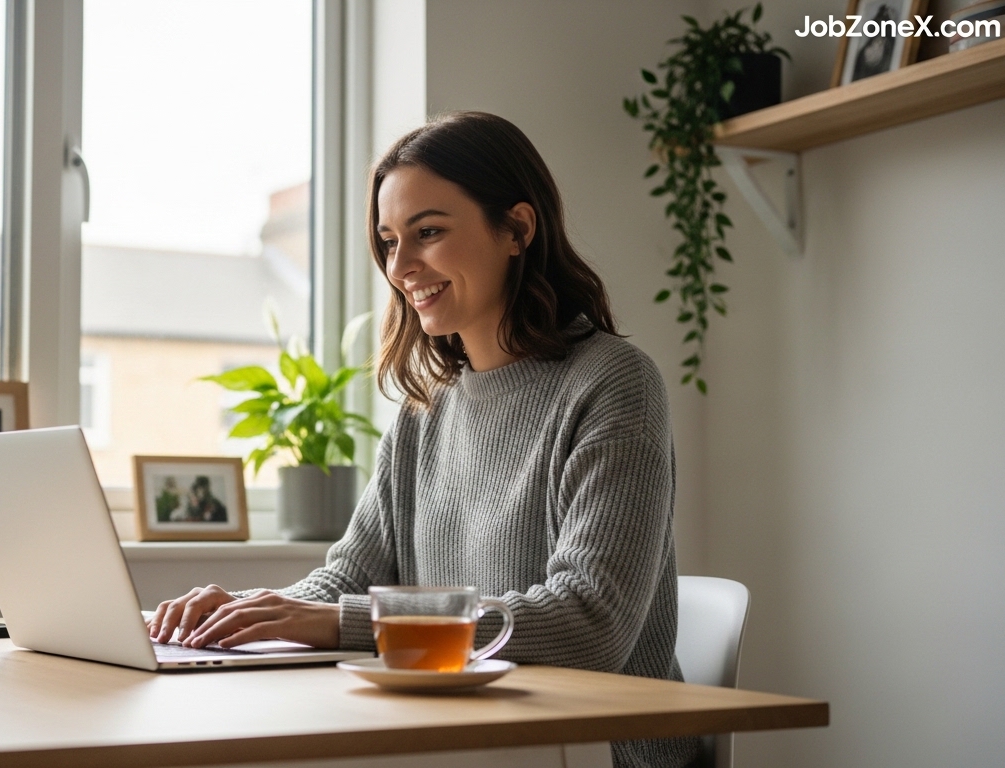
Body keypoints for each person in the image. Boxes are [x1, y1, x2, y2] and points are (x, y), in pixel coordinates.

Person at [147, 112, 696, 768]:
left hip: (592, 748)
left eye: (428, 232)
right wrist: (238, 615)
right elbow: (351, 575)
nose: (401, 267)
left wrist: (345, 623)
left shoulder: (613, 383)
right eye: (387, 241)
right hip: (463, 740)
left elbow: (590, 624)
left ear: (517, 228)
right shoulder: (424, 412)